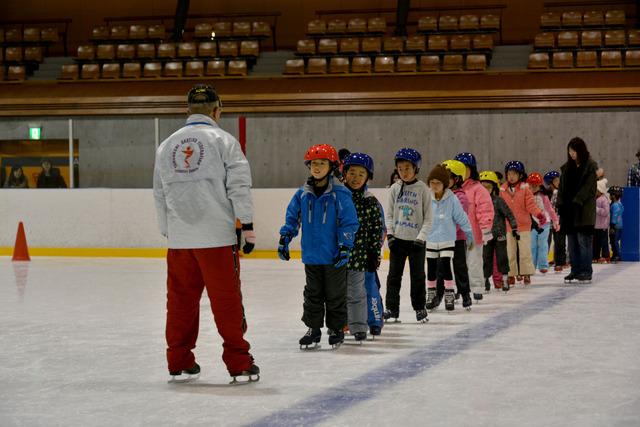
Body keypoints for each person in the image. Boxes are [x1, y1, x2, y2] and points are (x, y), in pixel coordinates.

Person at [153, 84, 259, 384]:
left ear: (188, 110)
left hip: (180, 240)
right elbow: (239, 186)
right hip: (216, 239)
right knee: (226, 302)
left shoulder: (166, 146)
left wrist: (169, 231)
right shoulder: (224, 141)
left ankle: (179, 360)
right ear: (217, 111)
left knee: (180, 303)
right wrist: (247, 227)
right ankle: (238, 363)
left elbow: (159, 194)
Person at [278, 144, 359, 349]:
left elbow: (348, 222)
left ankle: (336, 328)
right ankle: (313, 329)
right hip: (312, 255)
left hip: (334, 256)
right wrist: (285, 237)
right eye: (314, 163)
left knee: (335, 295)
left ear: (331, 166)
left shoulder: (339, 193)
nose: (317, 167)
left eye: (322, 163)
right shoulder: (302, 193)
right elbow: (292, 216)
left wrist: (344, 246)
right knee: (312, 294)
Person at [384, 148, 433, 322]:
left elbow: (428, 218)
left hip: (416, 243)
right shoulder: (394, 189)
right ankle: (391, 308)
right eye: (400, 168)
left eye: (407, 168)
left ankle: (419, 308)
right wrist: (390, 235)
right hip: (397, 241)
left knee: (418, 277)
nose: (404, 172)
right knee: (393, 277)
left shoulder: (423, 190)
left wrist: (421, 238)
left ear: (416, 168)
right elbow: (388, 215)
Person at [341, 152, 383, 341]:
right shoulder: (338, 197)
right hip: (339, 255)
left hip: (363, 257)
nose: (356, 178)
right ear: (344, 173)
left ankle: (372, 321)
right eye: (352, 172)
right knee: (339, 292)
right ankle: (343, 322)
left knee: (366, 289)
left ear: (368, 177)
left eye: (361, 174)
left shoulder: (370, 201)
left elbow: (377, 229)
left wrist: (374, 252)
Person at [424, 164, 473, 312]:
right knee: (432, 268)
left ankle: (452, 293)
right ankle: (432, 294)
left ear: (445, 183)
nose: (434, 186)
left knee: (449, 266)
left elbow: (461, 217)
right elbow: (421, 217)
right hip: (431, 239)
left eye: (438, 183)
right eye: (432, 183)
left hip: (448, 239)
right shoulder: (427, 198)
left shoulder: (453, 198)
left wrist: (469, 232)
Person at [454, 152, 494, 301]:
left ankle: (477, 287)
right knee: (456, 264)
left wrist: (485, 229)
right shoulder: (452, 189)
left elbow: (484, 209)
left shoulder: (478, 189)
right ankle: (458, 288)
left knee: (474, 261)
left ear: (472, 169)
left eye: (465, 168)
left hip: (473, 235)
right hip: (455, 235)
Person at [557, 137, 598, 283]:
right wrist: (560, 204)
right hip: (569, 212)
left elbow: (589, 188)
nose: (572, 154)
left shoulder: (590, 166)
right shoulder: (567, 168)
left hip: (583, 211)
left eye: (574, 151)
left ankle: (586, 271)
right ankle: (575, 270)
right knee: (572, 243)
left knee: (583, 242)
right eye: (569, 151)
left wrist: (577, 201)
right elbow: (561, 189)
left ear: (580, 151)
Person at [500, 161, 547, 286]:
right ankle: (511, 275)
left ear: (520, 175)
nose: (511, 176)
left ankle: (526, 273)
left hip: (524, 226)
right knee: (510, 252)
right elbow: (499, 208)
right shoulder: (502, 190)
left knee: (525, 251)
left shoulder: (525, 189)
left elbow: (531, 205)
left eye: (514, 174)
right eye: (509, 173)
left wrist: (539, 214)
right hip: (509, 226)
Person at [479, 170, 518, 292]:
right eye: (483, 187)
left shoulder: (498, 201)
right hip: (486, 234)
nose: (486, 190)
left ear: (494, 187)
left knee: (502, 257)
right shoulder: (479, 202)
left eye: (488, 187)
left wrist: (514, 227)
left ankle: (505, 279)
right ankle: (485, 280)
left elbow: (509, 214)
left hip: (500, 234)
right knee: (486, 258)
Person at [527, 172, 560, 274]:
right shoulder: (527, 197)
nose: (533, 188)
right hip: (531, 225)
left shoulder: (544, 196)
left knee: (543, 245)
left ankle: (543, 265)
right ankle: (532, 265)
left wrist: (555, 221)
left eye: (535, 185)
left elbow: (550, 210)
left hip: (544, 224)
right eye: (531, 185)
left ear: (540, 185)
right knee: (532, 245)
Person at [544, 170, 567, 272]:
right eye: (556, 180)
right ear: (551, 182)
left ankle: (560, 261)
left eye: (559, 180)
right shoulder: (551, 193)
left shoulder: (558, 192)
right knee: (556, 241)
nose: (559, 182)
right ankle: (558, 261)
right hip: (553, 221)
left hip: (558, 220)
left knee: (559, 241)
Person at [593, 180, 611, 263]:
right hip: (596, 225)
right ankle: (595, 256)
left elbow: (606, 212)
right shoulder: (596, 199)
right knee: (596, 242)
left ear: (600, 190)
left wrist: (596, 209)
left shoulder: (604, 199)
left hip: (603, 226)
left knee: (603, 242)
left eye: (596, 190)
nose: (595, 192)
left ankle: (606, 255)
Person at [608, 186, 624, 262]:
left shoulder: (615, 205)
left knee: (614, 241)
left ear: (614, 196)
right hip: (619, 225)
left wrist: (612, 226)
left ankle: (617, 255)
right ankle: (615, 254)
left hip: (615, 226)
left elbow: (614, 216)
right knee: (614, 241)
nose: (609, 196)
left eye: (610, 194)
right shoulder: (618, 204)